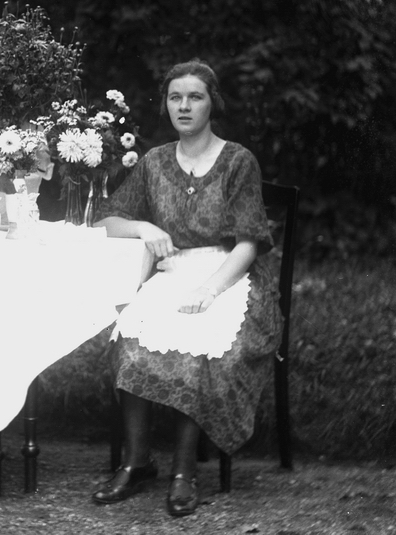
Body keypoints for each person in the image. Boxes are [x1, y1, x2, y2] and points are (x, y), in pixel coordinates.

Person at [92, 59, 283, 517]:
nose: (184, 106)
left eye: (195, 97)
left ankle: (184, 472)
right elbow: (105, 221)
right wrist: (142, 227)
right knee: (130, 338)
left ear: (212, 103)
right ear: (166, 105)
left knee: (201, 344)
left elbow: (248, 243)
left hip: (229, 275)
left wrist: (211, 290)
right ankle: (137, 462)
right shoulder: (155, 162)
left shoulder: (237, 160)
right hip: (173, 271)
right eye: (175, 97)